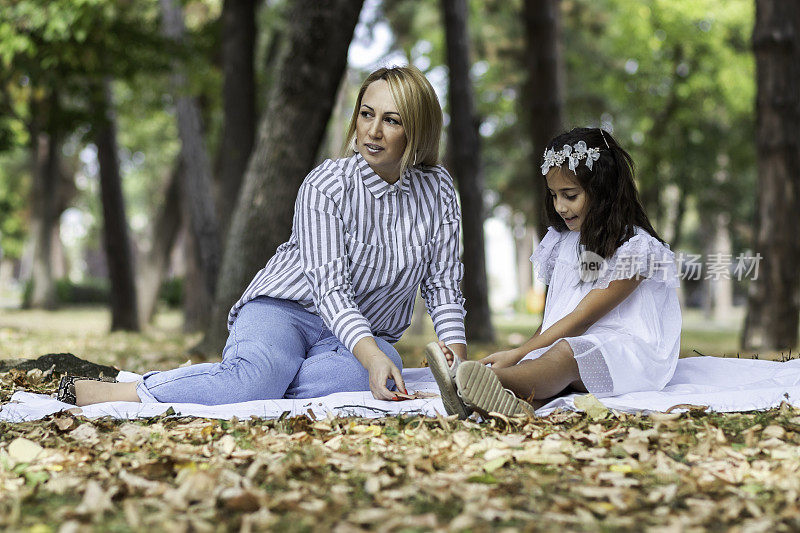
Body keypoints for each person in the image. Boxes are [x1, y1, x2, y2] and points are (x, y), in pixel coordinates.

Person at [64, 65, 467, 407]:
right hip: (285, 311)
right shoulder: (326, 185)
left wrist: (457, 363)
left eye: (392, 120)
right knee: (256, 381)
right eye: (366, 114)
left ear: (417, 128)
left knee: (363, 377)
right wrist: (371, 356)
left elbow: (443, 285)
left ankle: (255, 378)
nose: (373, 131)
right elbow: (330, 289)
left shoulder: (439, 190)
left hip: (359, 336)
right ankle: (126, 391)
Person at [427, 127, 681, 418]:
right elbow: (556, 316)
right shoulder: (563, 242)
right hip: (577, 345)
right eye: (553, 195)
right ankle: (500, 403)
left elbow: (583, 316)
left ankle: (468, 380)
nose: (559, 206)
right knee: (546, 363)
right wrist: (524, 355)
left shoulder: (637, 249)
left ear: (602, 190)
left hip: (630, 355)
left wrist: (516, 354)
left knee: (566, 354)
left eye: (570, 195)